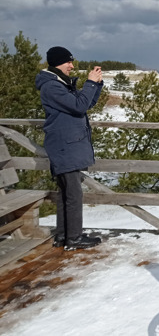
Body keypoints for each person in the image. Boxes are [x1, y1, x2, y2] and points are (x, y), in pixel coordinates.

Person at [35, 46, 104, 251]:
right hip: (65, 146)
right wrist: (90, 82)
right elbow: (78, 107)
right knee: (73, 194)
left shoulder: (59, 84)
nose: (72, 66)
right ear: (58, 62)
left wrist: (96, 85)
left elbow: (84, 103)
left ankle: (64, 236)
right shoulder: (52, 87)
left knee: (67, 193)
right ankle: (73, 238)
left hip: (66, 144)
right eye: (69, 62)